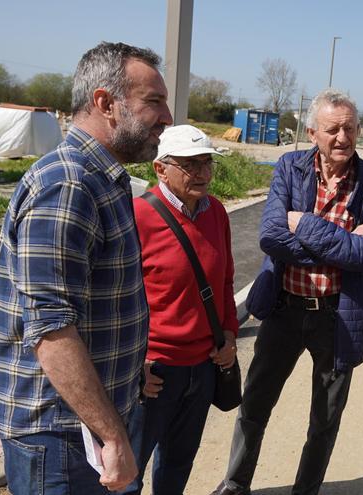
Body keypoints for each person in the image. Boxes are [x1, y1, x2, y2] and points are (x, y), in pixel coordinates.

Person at [0, 42, 172, 494]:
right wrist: (111, 433)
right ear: (106, 103)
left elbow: (98, 302)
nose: (167, 116)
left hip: (91, 420)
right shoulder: (67, 184)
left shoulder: (102, 178)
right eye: (154, 101)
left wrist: (129, 373)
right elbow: (51, 328)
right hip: (63, 437)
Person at [211, 89, 363, 495]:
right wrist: (344, 244)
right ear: (312, 131)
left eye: (350, 128)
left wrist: (308, 228)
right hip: (284, 309)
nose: (343, 137)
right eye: (332, 129)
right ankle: (235, 484)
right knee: (255, 405)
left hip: (338, 317)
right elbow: (272, 238)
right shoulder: (289, 167)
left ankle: (306, 490)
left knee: (325, 418)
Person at [122, 125, 238, 495]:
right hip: (154, 373)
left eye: (207, 163)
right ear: (161, 169)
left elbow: (224, 282)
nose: (203, 173)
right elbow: (119, 298)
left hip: (204, 368)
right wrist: (133, 364)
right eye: (190, 165)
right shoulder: (138, 216)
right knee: (129, 473)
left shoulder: (216, 212)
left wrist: (230, 335)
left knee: (177, 465)